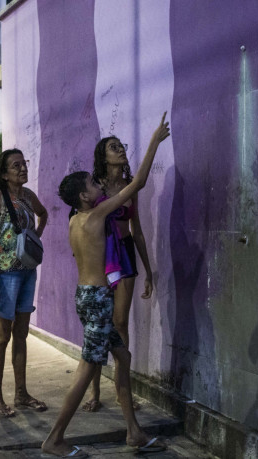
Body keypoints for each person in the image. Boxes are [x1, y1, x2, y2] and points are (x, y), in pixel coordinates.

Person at [42, 113, 170, 457]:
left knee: (123, 357)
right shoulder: (97, 215)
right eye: (92, 185)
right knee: (88, 367)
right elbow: (138, 182)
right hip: (98, 298)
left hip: (86, 296)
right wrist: (154, 141)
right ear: (85, 197)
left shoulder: (76, 220)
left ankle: (134, 432)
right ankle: (55, 438)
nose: (98, 187)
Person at [82, 135, 155, 412]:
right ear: (103, 156)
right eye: (114, 147)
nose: (121, 150)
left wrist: (148, 270)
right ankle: (94, 392)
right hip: (100, 257)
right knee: (98, 324)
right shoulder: (94, 187)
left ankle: (123, 392)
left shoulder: (129, 186)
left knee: (120, 323)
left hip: (125, 254)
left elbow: (137, 231)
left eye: (122, 146)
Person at [0, 150, 48, 417]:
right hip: (4, 274)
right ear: (4, 173)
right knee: (2, 337)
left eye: (24, 163)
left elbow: (44, 214)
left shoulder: (28, 196)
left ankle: (21, 394)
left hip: (27, 272)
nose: (23, 168)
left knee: (21, 334)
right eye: (16, 165)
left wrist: (33, 240)